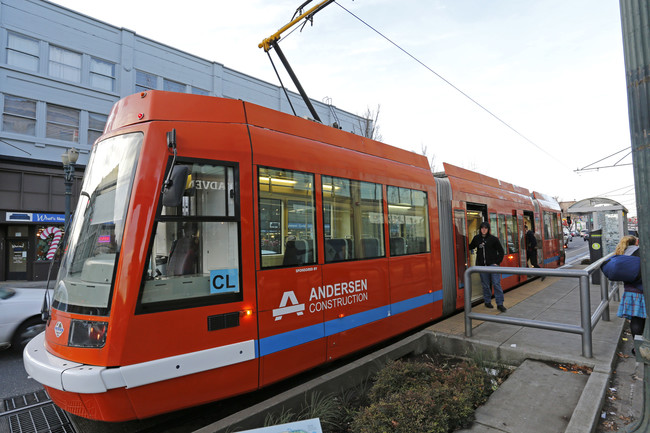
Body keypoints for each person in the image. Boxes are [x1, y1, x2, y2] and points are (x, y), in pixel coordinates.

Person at [614, 235, 645, 353]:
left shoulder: (622, 253)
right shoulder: (640, 251)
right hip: (643, 290)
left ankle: (637, 349)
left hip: (630, 293)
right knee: (645, 319)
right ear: (636, 242)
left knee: (636, 320)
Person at [469, 221, 507, 312]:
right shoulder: (476, 238)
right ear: (480, 229)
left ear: (488, 229)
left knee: (496, 284)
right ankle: (487, 301)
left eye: (485, 228)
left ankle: (500, 304)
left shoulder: (493, 239)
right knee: (485, 285)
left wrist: (497, 262)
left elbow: (501, 251)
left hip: (493, 265)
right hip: (482, 266)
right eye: (482, 228)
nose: (483, 230)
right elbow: (470, 246)